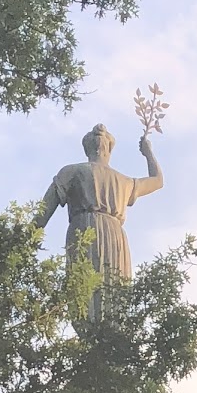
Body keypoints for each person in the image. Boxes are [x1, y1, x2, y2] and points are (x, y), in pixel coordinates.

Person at [37, 122, 164, 317]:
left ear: (87, 148)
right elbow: (157, 180)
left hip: (83, 230)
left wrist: (23, 241)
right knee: (112, 298)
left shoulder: (72, 171)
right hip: (114, 236)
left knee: (84, 300)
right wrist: (148, 153)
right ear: (109, 150)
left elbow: (42, 214)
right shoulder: (124, 181)